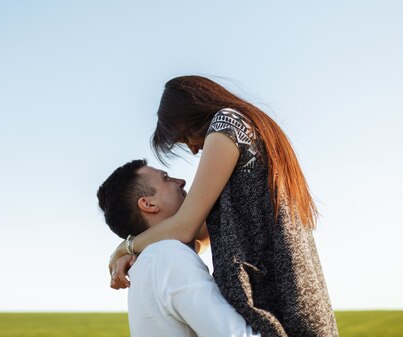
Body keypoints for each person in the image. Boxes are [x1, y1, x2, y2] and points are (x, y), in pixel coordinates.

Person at [109, 76, 339, 337]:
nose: (194, 149)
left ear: (193, 114)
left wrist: (125, 246)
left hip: (280, 303)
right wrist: (140, 253)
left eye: (185, 137)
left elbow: (185, 226)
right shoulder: (246, 129)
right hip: (289, 296)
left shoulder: (226, 124)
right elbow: (199, 236)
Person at [97, 159, 260, 337]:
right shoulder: (168, 255)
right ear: (149, 204)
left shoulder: (152, 260)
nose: (180, 181)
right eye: (166, 178)